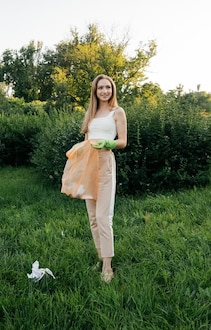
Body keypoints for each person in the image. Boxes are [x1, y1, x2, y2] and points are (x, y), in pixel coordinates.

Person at [81, 74, 127, 282]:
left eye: (108, 87)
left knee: (103, 216)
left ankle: (108, 266)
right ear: (95, 91)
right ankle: (100, 256)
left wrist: (109, 144)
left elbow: (123, 141)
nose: (104, 91)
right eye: (100, 88)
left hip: (105, 162)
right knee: (92, 217)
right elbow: (86, 141)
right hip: (88, 165)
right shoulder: (91, 113)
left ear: (113, 89)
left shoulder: (118, 112)